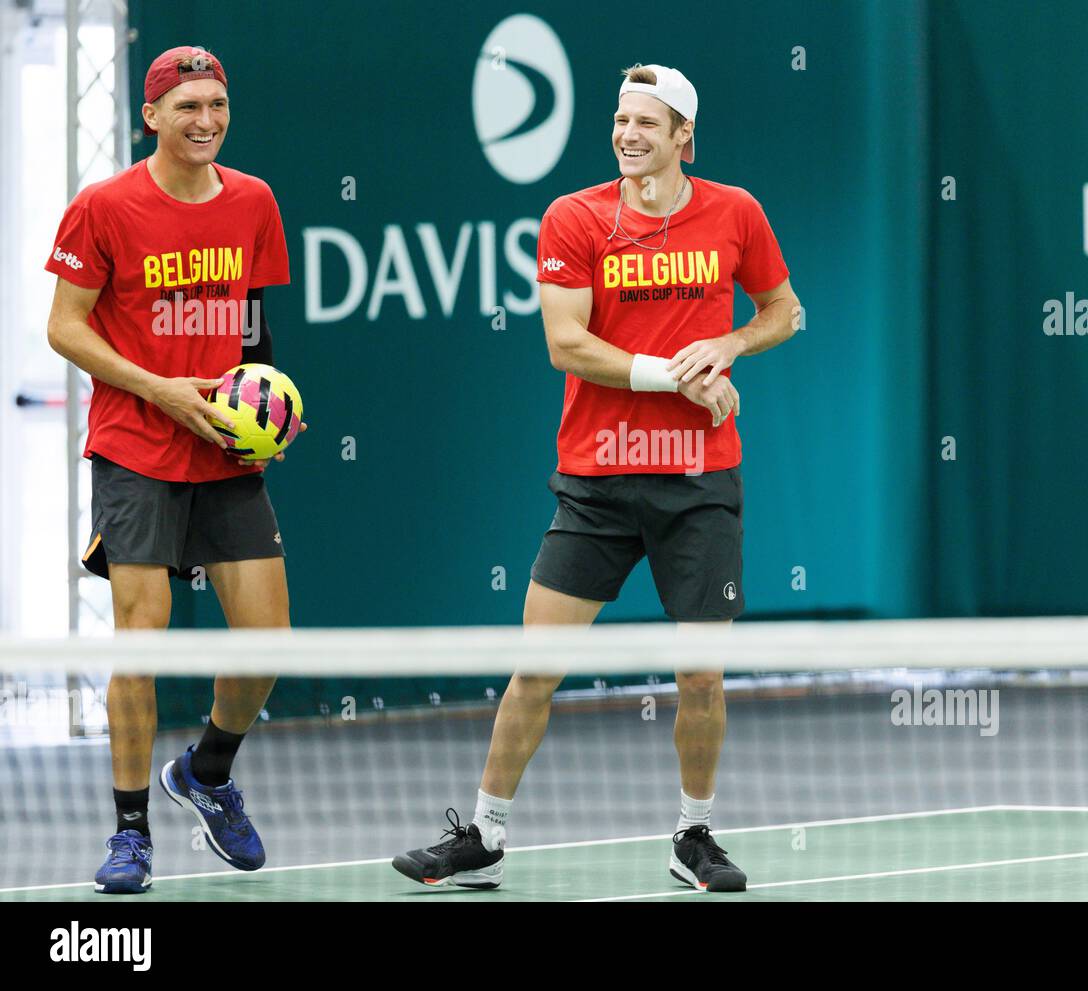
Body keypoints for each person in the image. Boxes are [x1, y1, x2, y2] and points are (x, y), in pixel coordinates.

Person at [393, 63, 800, 893]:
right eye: (621, 121)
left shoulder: (736, 212)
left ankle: (694, 833)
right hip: (597, 480)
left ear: (685, 135)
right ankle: (487, 833)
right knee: (536, 666)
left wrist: (730, 345)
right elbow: (566, 345)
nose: (628, 135)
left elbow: (784, 310)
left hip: (699, 482)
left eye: (647, 123)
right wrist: (677, 376)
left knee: (700, 675)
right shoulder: (573, 218)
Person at [45, 45, 296, 894]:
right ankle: (129, 835)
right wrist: (160, 390)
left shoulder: (255, 200)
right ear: (150, 115)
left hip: (222, 453)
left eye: (217, 105)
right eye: (187, 106)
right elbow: (65, 328)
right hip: (134, 447)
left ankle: (207, 771)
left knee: (269, 642)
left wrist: (266, 414)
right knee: (140, 641)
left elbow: (254, 328)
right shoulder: (102, 207)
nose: (206, 121)